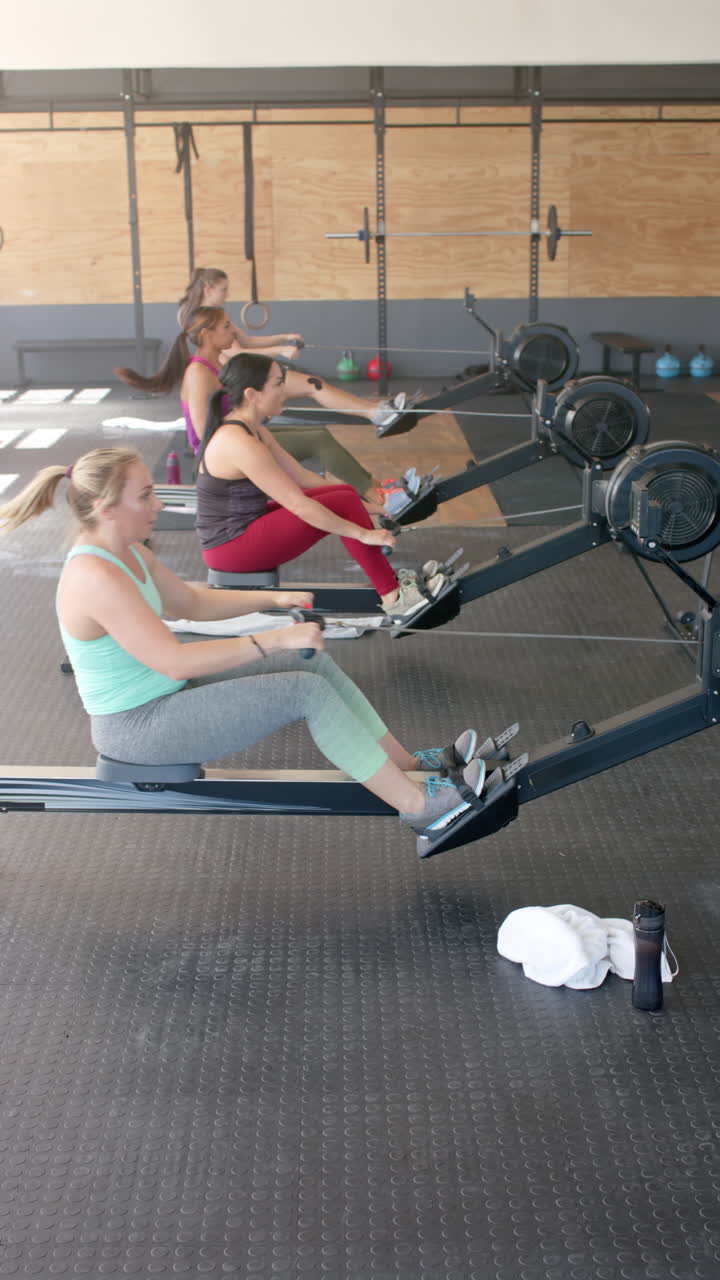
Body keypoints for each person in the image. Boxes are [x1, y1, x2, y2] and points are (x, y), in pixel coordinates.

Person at [0, 447, 486, 846]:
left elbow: (190, 601)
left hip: (165, 696)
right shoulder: (95, 576)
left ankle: (405, 768)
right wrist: (272, 638)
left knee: (307, 661)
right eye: (145, 496)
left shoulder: (129, 553)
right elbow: (172, 660)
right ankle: (422, 808)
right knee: (304, 692)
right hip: (137, 727)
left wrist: (274, 598)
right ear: (107, 509)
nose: (158, 504)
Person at [196, 353, 446, 617]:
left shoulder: (253, 430)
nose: (285, 391)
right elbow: (298, 504)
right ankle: (393, 596)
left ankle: (390, 585)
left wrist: (371, 507)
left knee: (344, 494)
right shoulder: (239, 442)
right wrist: (363, 533)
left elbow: (303, 477)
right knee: (343, 502)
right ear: (252, 394)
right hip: (230, 549)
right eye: (278, 384)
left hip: (241, 531)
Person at [116, 307, 383, 503]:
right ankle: (373, 495)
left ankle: (372, 487)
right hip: (222, 454)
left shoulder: (218, 363)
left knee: (319, 435)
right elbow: (202, 433)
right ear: (207, 334)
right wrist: (250, 438)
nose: (233, 331)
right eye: (226, 326)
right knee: (317, 441)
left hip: (241, 436)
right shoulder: (199, 373)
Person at [177, 266, 418, 432]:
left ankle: (377, 410)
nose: (227, 294)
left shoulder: (217, 317)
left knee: (311, 383)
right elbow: (239, 354)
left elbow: (247, 341)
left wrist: (286, 338)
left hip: (243, 377)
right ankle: (377, 412)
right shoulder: (208, 325)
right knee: (312, 384)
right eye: (223, 290)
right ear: (208, 290)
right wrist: (281, 350)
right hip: (244, 379)